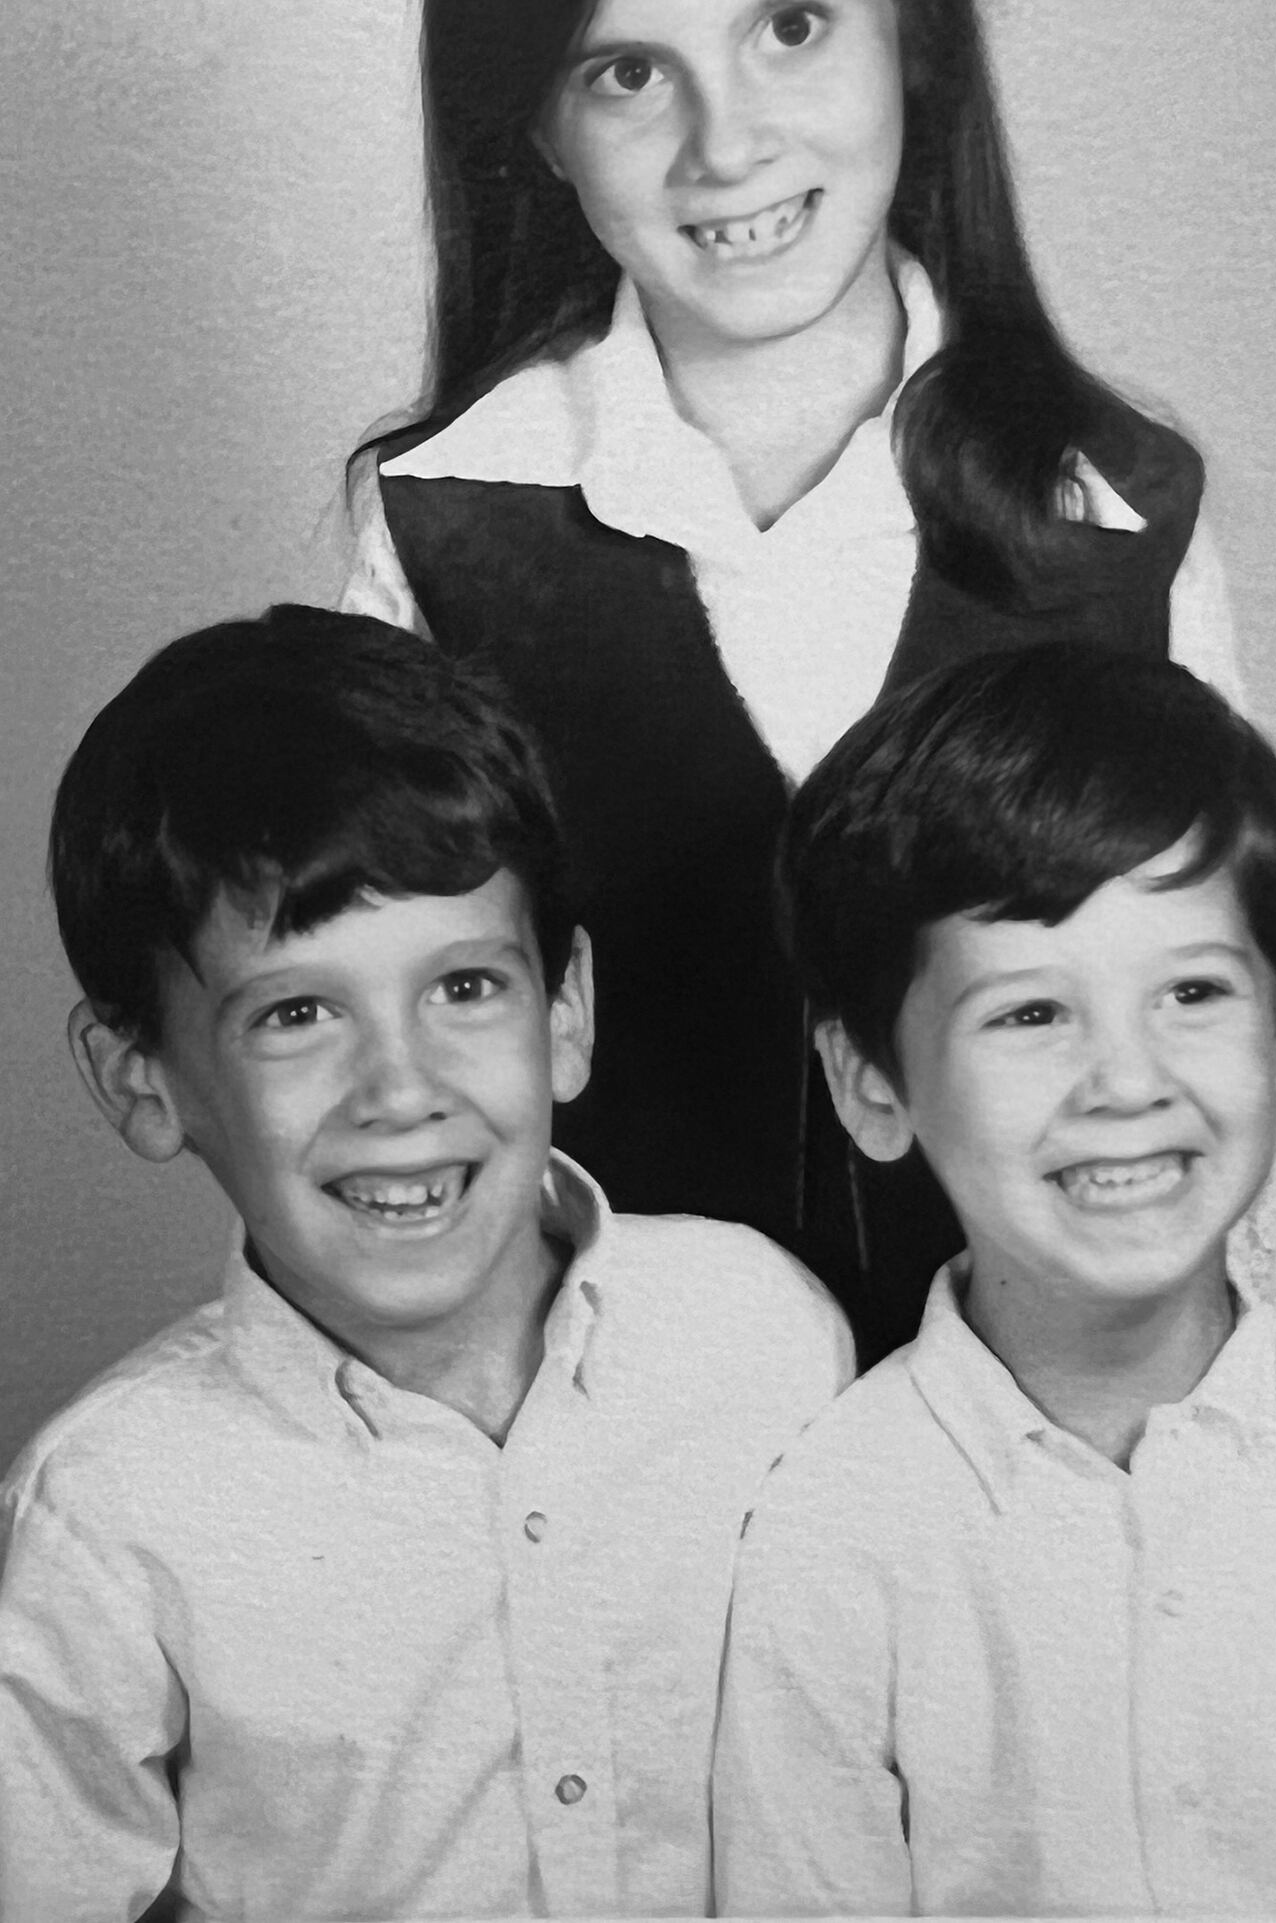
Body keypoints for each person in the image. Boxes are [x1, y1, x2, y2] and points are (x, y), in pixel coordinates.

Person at [343, 0, 1276, 1361]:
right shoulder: (442, 529)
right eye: (629, 70)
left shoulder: (1115, 514)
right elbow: (397, 1082)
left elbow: (1236, 1081)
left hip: (1038, 1489)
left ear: (909, 24)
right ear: (538, 125)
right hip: (620, 1501)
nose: (729, 142)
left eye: (792, 27)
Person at [0, 606, 850, 1923]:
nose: (401, 1089)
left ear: (565, 1010)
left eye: (465, 988)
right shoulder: (108, 1516)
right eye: (297, 1012)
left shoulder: (766, 1338)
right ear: (146, 1078)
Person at [712, 643, 1276, 1918]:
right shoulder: (828, 1529)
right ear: (869, 1084)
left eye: (1193, 992)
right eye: (1030, 1015)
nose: (1126, 1080)